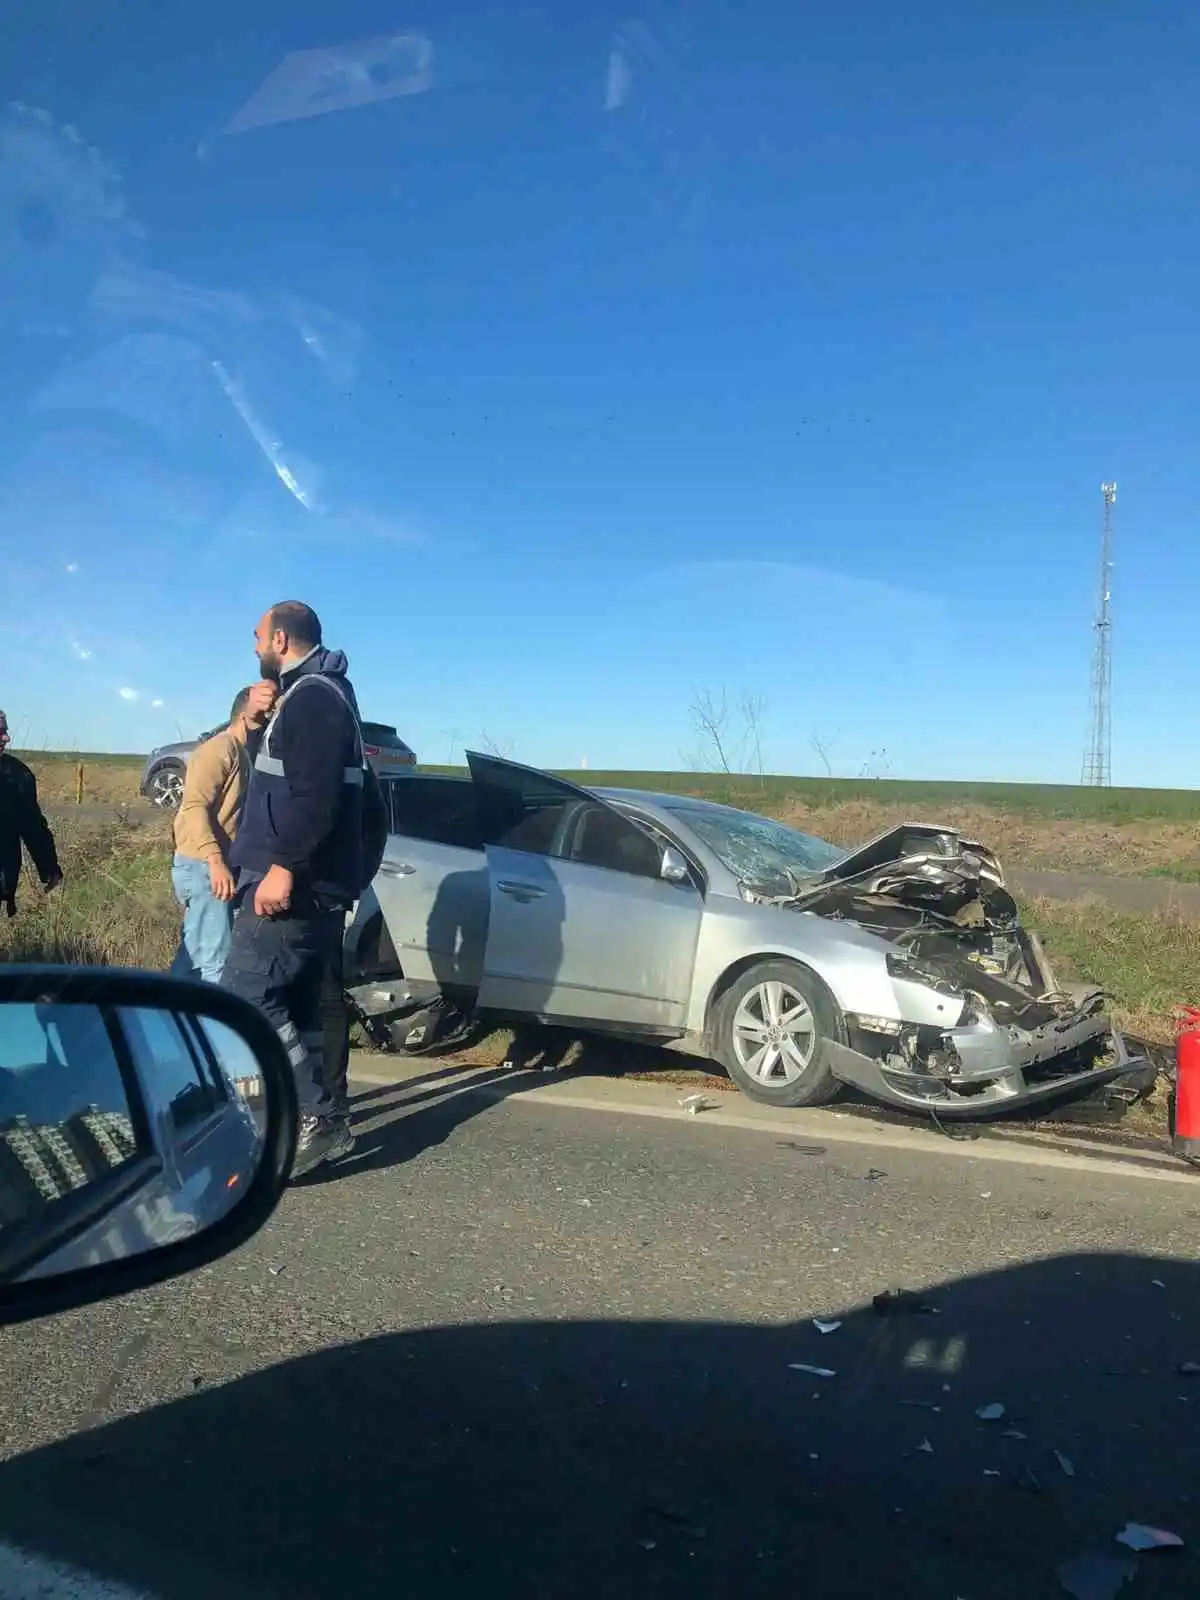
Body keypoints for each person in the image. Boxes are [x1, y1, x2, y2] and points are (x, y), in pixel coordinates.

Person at [222, 601, 374, 1178]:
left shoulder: (313, 698)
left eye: (258, 636)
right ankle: (309, 1115)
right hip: (315, 883)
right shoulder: (320, 694)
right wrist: (260, 721)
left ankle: (316, 1115)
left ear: (280, 638)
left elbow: (314, 797)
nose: (255, 645)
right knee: (298, 1004)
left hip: (292, 882)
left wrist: (283, 865)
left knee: (245, 995)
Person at [169, 681, 278, 985]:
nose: (267, 719)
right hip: (203, 865)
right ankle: (214, 1027)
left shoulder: (242, 753)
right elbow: (193, 806)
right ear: (244, 714)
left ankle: (169, 1016)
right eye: (263, 714)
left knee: (194, 957)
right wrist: (216, 862)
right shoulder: (220, 749)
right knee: (215, 963)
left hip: (208, 865)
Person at [0, 710, 63, 918]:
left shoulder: (19, 775)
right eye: (0, 732)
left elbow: (33, 826)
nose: (6, 737)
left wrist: (49, 868)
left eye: (5, 731)